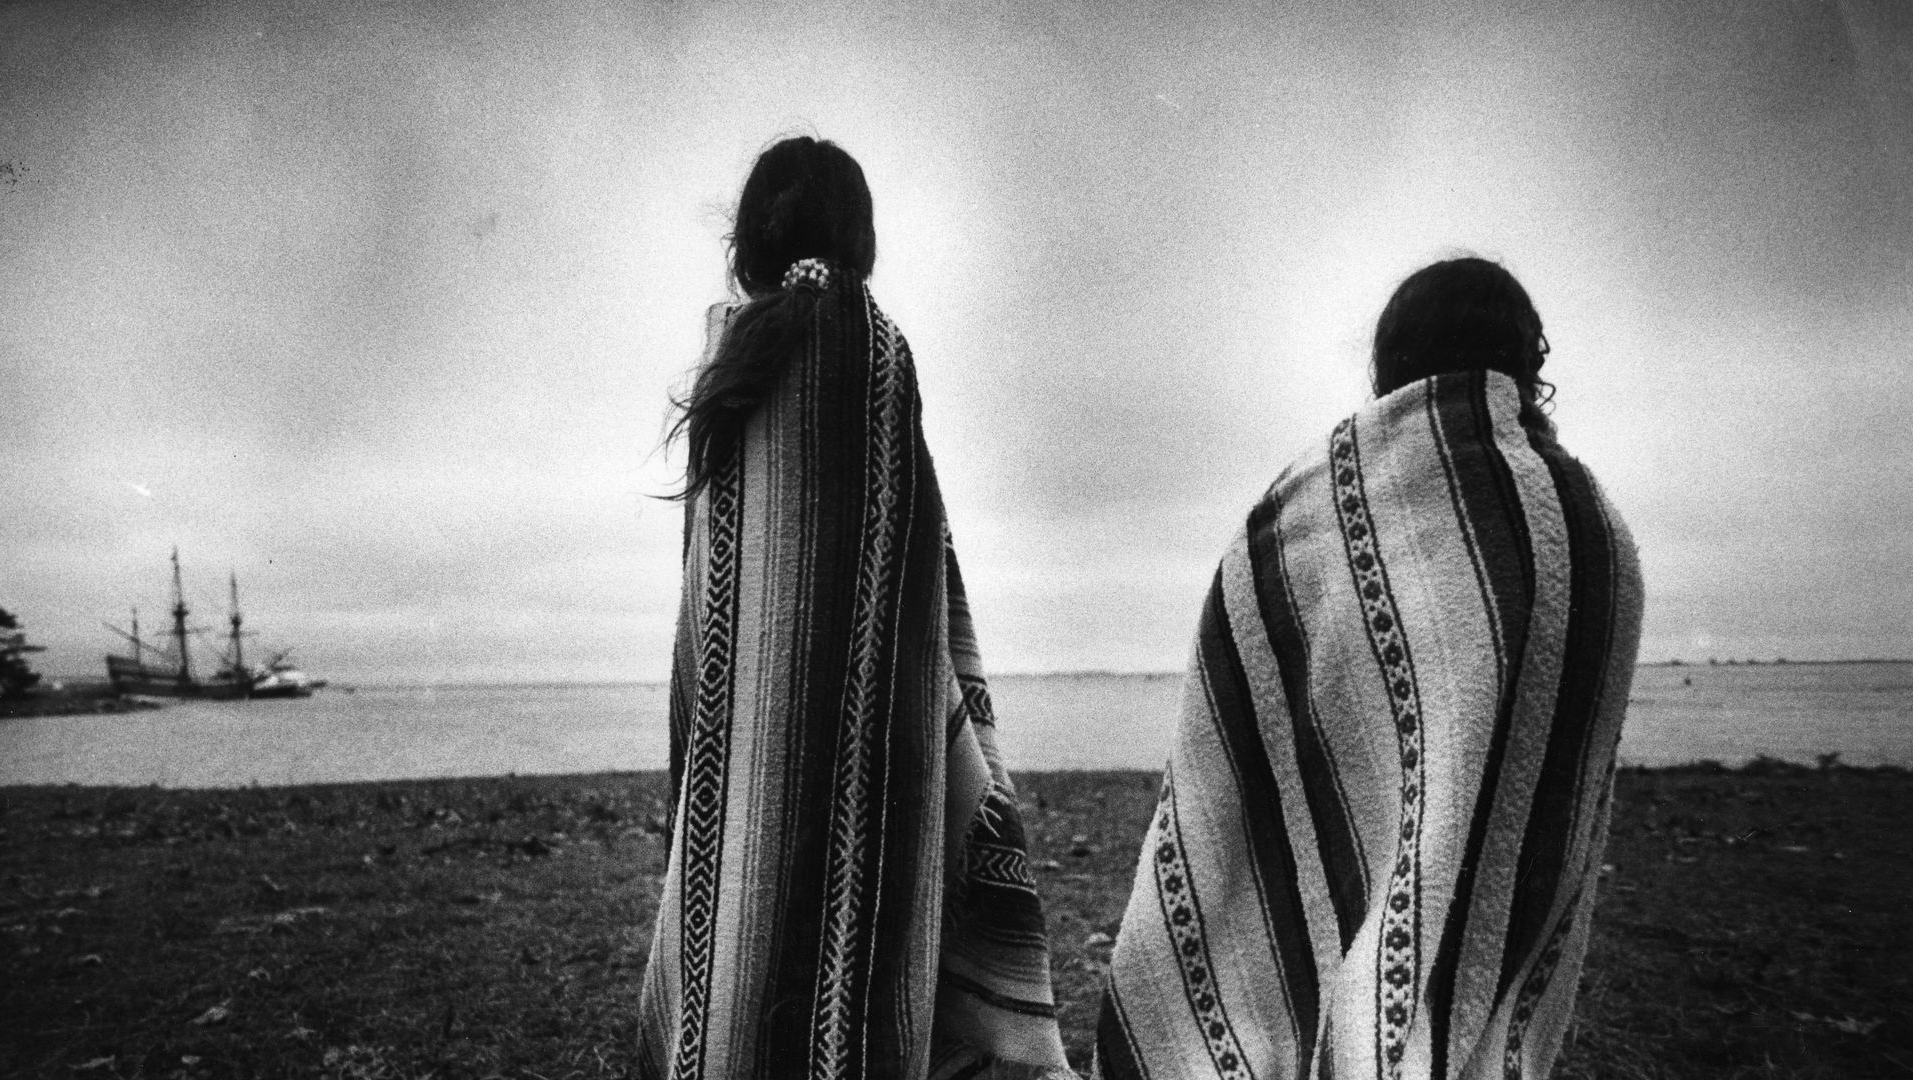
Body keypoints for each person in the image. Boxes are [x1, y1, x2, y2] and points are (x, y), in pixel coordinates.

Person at [1094, 258, 1644, 1079]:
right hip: (1492, 974)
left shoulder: (1304, 511)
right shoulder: (1589, 527)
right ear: (1526, 364)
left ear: (1391, 362)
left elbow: (1231, 747)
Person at [636, 136, 1074, 1080]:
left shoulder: (733, 367)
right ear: (858, 232)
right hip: (875, 761)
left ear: (750, 239)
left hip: (744, 762)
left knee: (735, 982)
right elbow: (911, 565)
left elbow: (713, 618)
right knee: (859, 986)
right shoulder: (872, 348)